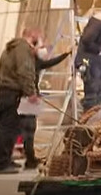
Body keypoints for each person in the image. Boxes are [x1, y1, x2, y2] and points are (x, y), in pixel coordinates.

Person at [0, 29, 42, 174]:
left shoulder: (11, 48)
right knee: (10, 129)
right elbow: (25, 71)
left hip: (3, 92)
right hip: (13, 93)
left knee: (1, 128)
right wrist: (31, 92)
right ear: (33, 37)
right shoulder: (23, 49)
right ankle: (0, 164)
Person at [18, 42, 71, 170]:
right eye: (40, 47)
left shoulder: (35, 61)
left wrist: (65, 55)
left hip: (30, 97)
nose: (43, 50)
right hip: (29, 98)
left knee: (30, 130)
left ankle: (30, 157)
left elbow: (50, 63)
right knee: (29, 130)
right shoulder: (28, 62)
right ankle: (30, 159)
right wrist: (31, 94)